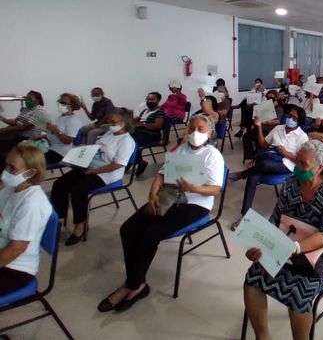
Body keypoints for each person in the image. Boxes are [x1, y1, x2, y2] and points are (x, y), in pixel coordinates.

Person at [97, 115, 224, 313]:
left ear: (210, 133)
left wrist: (193, 188)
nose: (195, 133)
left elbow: (215, 189)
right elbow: (161, 175)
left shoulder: (213, 155)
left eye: (200, 129)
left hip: (195, 203)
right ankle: (137, 283)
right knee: (128, 229)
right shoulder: (180, 149)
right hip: (169, 196)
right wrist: (153, 193)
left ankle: (132, 285)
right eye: (192, 128)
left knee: (151, 233)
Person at [243, 140, 323, 340]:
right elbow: (275, 219)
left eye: (303, 164)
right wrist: (260, 245)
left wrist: (295, 248)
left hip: (318, 254)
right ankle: (263, 337)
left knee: (298, 298)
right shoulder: (290, 184)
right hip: (285, 244)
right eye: (297, 161)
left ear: (320, 167)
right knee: (252, 281)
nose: (297, 167)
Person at [50, 109, 136, 246]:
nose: (110, 124)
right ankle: (59, 218)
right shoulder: (109, 133)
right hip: (91, 166)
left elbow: (118, 164)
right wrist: (84, 149)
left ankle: (80, 225)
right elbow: (98, 149)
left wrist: (96, 171)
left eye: (113, 122)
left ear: (124, 123)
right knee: (59, 184)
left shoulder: (126, 142)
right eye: (109, 121)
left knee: (79, 190)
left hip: (107, 173)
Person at [231, 106, 309, 230]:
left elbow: (302, 161)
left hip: (287, 164)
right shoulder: (278, 128)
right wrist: (259, 127)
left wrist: (286, 153)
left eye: (294, 118)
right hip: (270, 158)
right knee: (253, 177)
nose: (290, 119)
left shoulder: (302, 137)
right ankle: (244, 215)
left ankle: (242, 174)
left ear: (299, 121)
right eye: (289, 115)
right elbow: (263, 144)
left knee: (263, 164)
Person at [0, 145, 52, 297]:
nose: (5, 172)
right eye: (6, 165)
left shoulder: (31, 204)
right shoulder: (12, 187)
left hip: (14, 267)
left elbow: (16, 249)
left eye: (12, 168)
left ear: (30, 173)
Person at [0, 91, 49, 168]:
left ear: (37, 100)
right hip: (18, 135)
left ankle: (8, 166)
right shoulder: (26, 109)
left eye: (30, 98)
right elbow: (15, 122)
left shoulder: (40, 112)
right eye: (26, 98)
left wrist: (7, 129)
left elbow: (26, 127)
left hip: (28, 138)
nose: (27, 100)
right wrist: (2, 118)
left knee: (5, 148)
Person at [241, 90, 283, 164]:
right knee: (246, 136)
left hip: (269, 130)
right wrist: (256, 118)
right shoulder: (265, 106)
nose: (270, 98)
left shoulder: (279, 108)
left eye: (272, 96)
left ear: (276, 97)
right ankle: (250, 157)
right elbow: (257, 116)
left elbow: (278, 121)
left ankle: (257, 158)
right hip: (259, 127)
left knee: (258, 140)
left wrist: (268, 122)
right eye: (268, 97)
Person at [42, 93, 83, 164]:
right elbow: (53, 134)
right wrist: (43, 136)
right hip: (51, 148)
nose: (59, 104)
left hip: (61, 152)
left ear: (72, 106)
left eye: (63, 103)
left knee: (33, 161)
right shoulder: (59, 118)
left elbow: (68, 141)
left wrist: (56, 130)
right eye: (59, 101)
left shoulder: (74, 121)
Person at [132, 92, 165, 177]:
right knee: (124, 140)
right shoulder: (144, 111)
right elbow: (138, 122)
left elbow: (157, 126)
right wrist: (135, 120)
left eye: (152, 99)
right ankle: (135, 161)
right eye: (148, 99)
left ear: (158, 100)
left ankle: (140, 162)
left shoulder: (160, 111)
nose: (149, 101)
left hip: (152, 135)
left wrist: (142, 124)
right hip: (140, 132)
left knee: (132, 143)